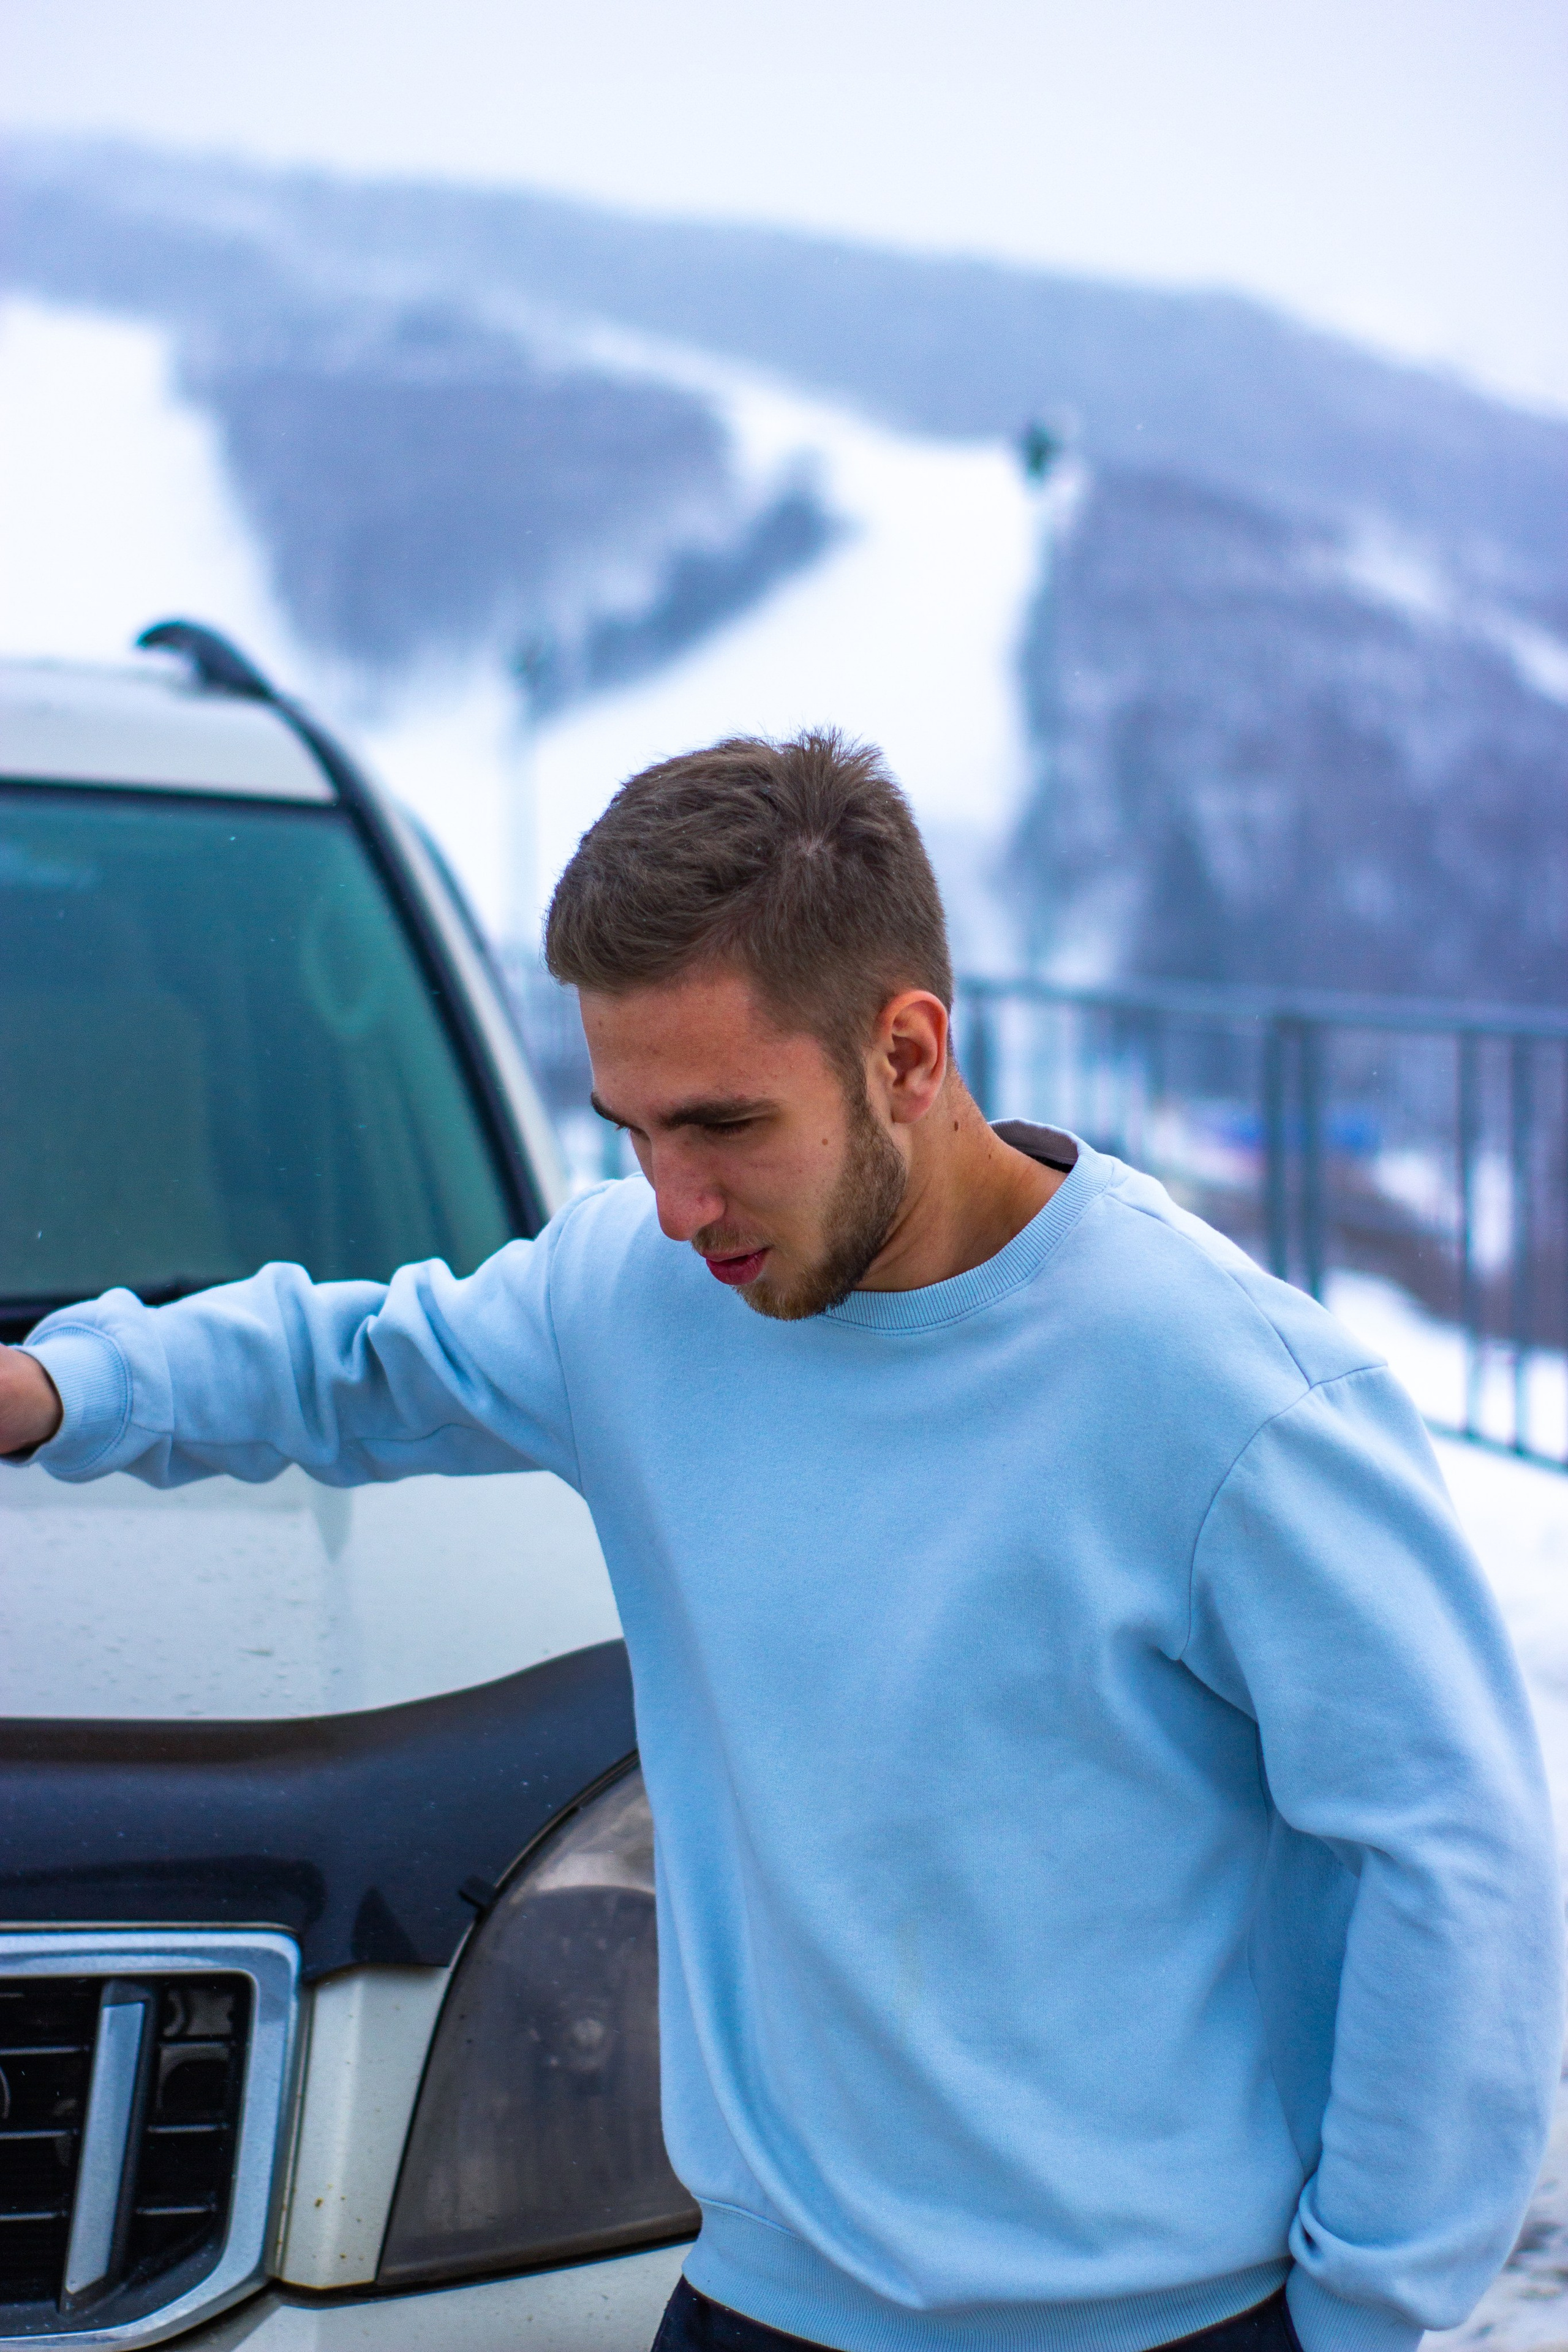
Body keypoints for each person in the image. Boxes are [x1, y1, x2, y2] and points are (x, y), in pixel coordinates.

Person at [1, 730, 1561, 2352]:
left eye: (725, 1125)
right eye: (632, 1131)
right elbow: (358, 1363)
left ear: (908, 1053)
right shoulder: (635, 1295)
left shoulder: (1235, 1396)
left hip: (1151, 2326)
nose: (678, 1202)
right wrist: (55, 1386)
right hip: (755, 2305)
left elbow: (1451, 1859)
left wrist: (1363, 2312)